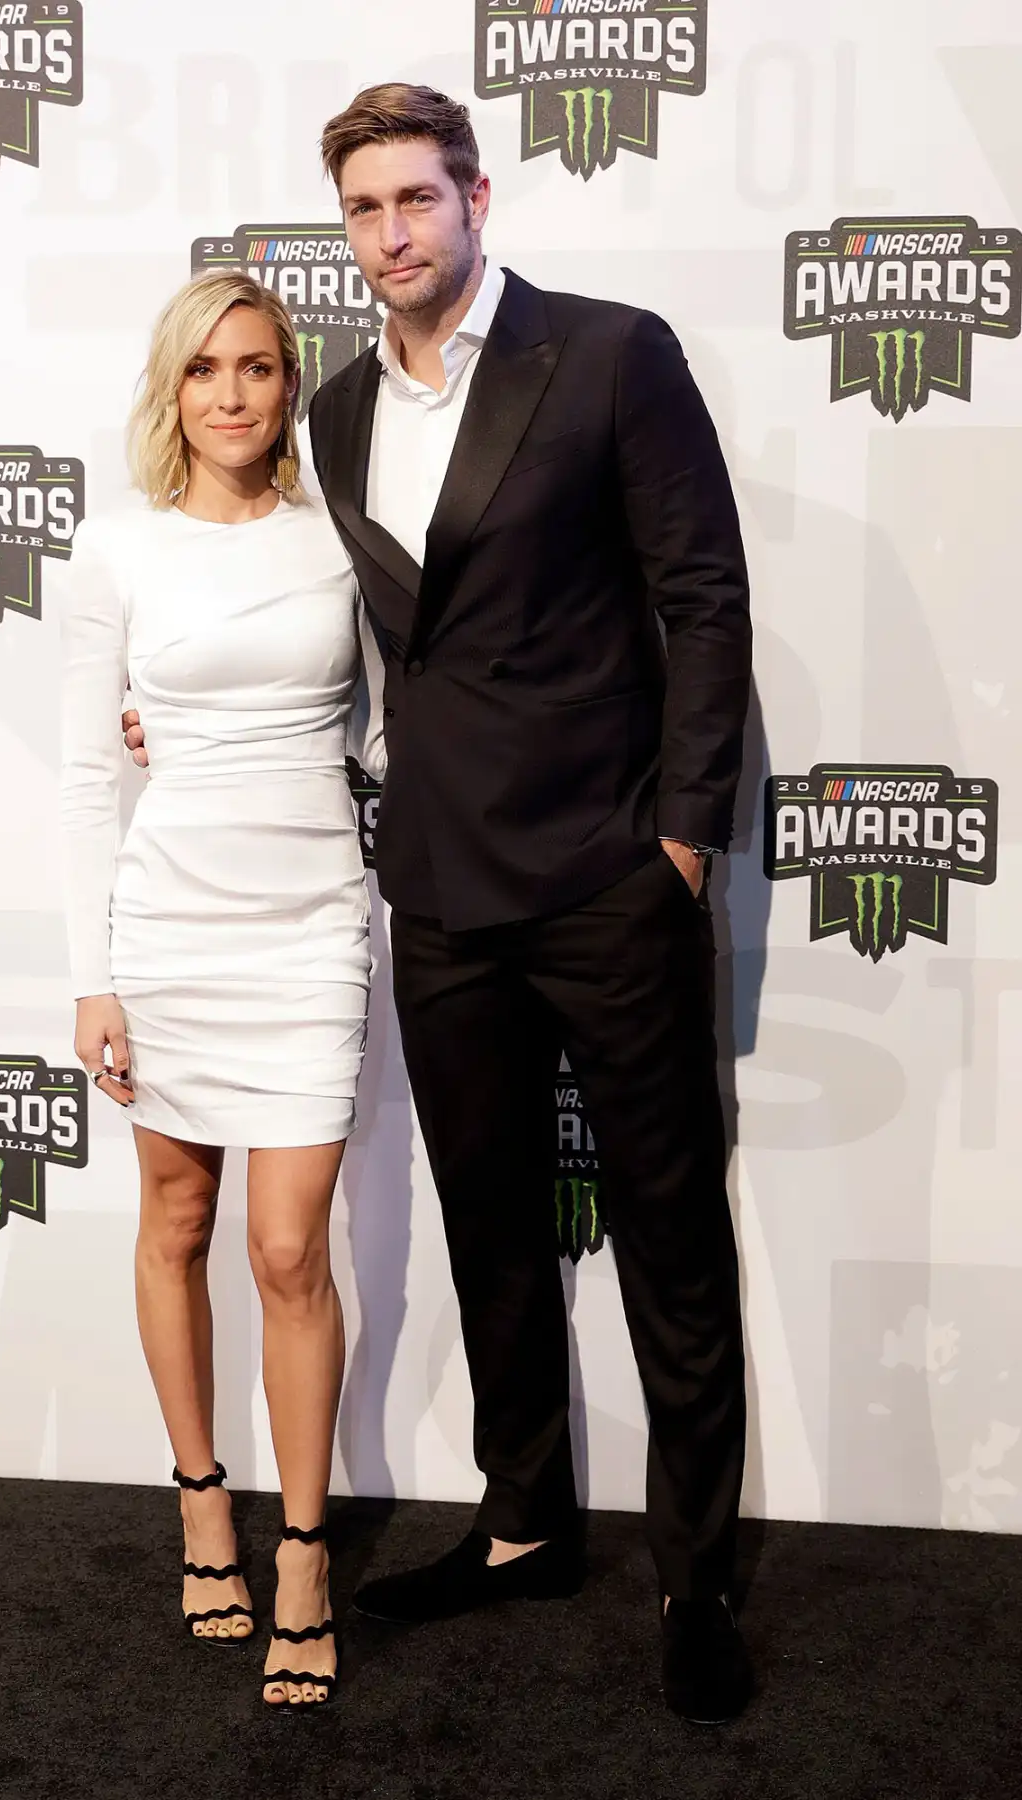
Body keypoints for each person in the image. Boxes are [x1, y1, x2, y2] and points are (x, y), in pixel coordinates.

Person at [125, 84, 754, 1723]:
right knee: (490, 1230)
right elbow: (322, 630)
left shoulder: (607, 355)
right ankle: (524, 1518)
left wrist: (683, 842)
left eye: (417, 198)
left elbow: (703, 598)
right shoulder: (334, 412)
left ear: (478, 200)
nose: (392, 232)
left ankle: (695, 1577)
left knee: (674, 1240)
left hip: (612, 881)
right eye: (364, 208)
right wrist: (167, 710)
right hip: (443, 893)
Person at [59, 270, 383, 1711]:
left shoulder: (342, 541)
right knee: (176, 1220)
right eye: (206, 370)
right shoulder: (118, 549)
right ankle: (202, 1499)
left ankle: (302, 1551)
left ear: (288, 383)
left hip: (313, 925)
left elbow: (390, 729)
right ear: (172, 390)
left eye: (257, 366)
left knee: (288, 1249)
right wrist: (93, 978)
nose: (233, 394)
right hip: (172, 927)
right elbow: (85, 777)